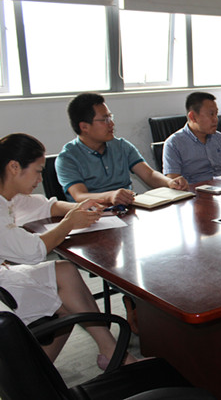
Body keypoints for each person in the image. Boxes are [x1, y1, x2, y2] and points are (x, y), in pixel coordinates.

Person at [0, 133, 137, 368]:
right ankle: (36, 377)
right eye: (38, 171)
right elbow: (32, 252)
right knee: (65, 302)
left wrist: (79, 209)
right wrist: (69, 223)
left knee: (65, 273)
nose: (40, 179)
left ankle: (110, 352)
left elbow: (45, 206)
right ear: (14, 167)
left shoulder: (8, 196)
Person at [56, 93, 188, 205]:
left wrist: (170, 182)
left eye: (110, 117)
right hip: (91, 216)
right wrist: (110, 196)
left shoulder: (121, 146)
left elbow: (149, 175)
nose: (112, 124)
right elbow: (79, 195)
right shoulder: (67, 158)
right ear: (84, 127)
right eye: (105, 120)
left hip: (126, 209)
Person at [163, 92, 221, 184]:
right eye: (211, 114)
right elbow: (174, 183)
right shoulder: (174, 143)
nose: (216, 119)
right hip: (194, 190)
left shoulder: (219, 138)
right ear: (193, 117)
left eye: (216, 114)